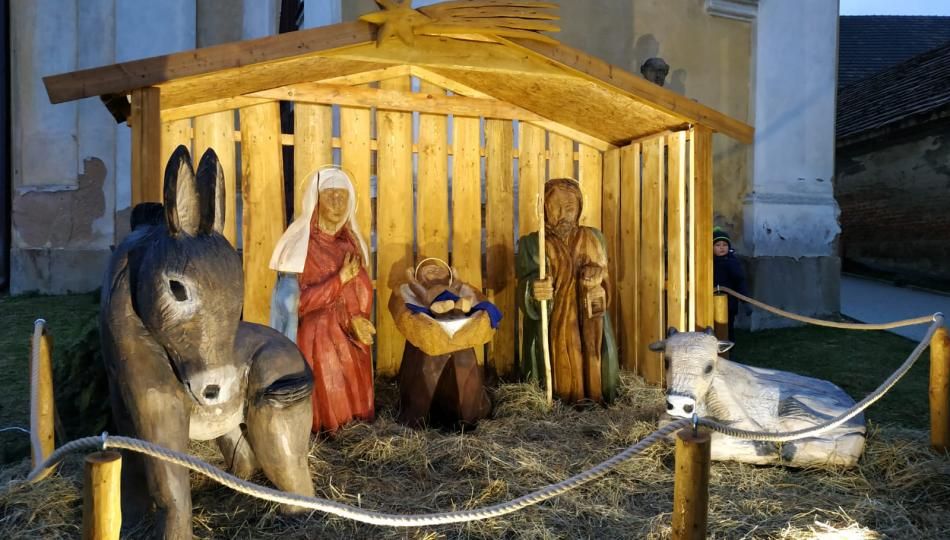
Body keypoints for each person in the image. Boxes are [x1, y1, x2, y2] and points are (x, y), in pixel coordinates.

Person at [269, 167, 375, 433]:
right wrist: (339, 280)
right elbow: (296, 303)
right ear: (315, 200)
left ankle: (355, 427)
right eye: (330, 195)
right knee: (325, 339)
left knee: (355, 367)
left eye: (343, 195)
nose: (338, 202)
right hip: (318, 334)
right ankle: (326, 426)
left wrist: (358, 318)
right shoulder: (300, 246)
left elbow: (360, 289)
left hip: (350, 329)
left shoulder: (351, 243)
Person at [517, 178, 619, 404]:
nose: (563, 214)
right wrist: (533, 289)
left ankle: (595, 394)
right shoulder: (532, 243)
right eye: (556, 207)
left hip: (587, 318)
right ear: (544, 209)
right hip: (554, 320)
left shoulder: (593, 237)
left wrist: (597, 278)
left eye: (570, 208)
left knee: (590, 354)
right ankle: (558, 400)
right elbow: (523, 285)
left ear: (579, 209)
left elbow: (605, 277)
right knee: (559, 362)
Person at [712, 227, 749, 340]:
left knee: (727, 328)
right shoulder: (708, 263)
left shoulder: (732, 263)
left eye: (725, 245)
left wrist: (745, 301)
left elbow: (739, 281)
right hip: (710, 302)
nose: (722, 247)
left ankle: (728, 347)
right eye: (718, 245)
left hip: (729, 303)